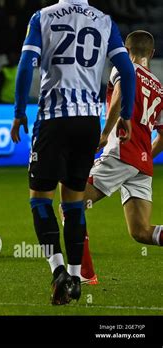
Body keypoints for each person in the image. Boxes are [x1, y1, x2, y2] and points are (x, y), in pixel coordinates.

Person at [11, 0, 136, 305]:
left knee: (40, 199)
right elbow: (127, 71)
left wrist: (18, 111)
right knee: (73, 202)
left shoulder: (43, 17)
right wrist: (127, 115)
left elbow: (26, 64)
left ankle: (57, 271)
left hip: (54, 119)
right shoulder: (104, 21)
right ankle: (76, 276)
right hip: (88, 123)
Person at [79, 30, 163, 283]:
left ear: (126, 51)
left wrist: (105, 133)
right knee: (141, 232)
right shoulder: (159, 87)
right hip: (142, 163)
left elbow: (119, 96)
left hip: (120, 153)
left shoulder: (124, 68)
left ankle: (85, 274)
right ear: (152, 53)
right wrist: (145, 155)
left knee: (70, 202)